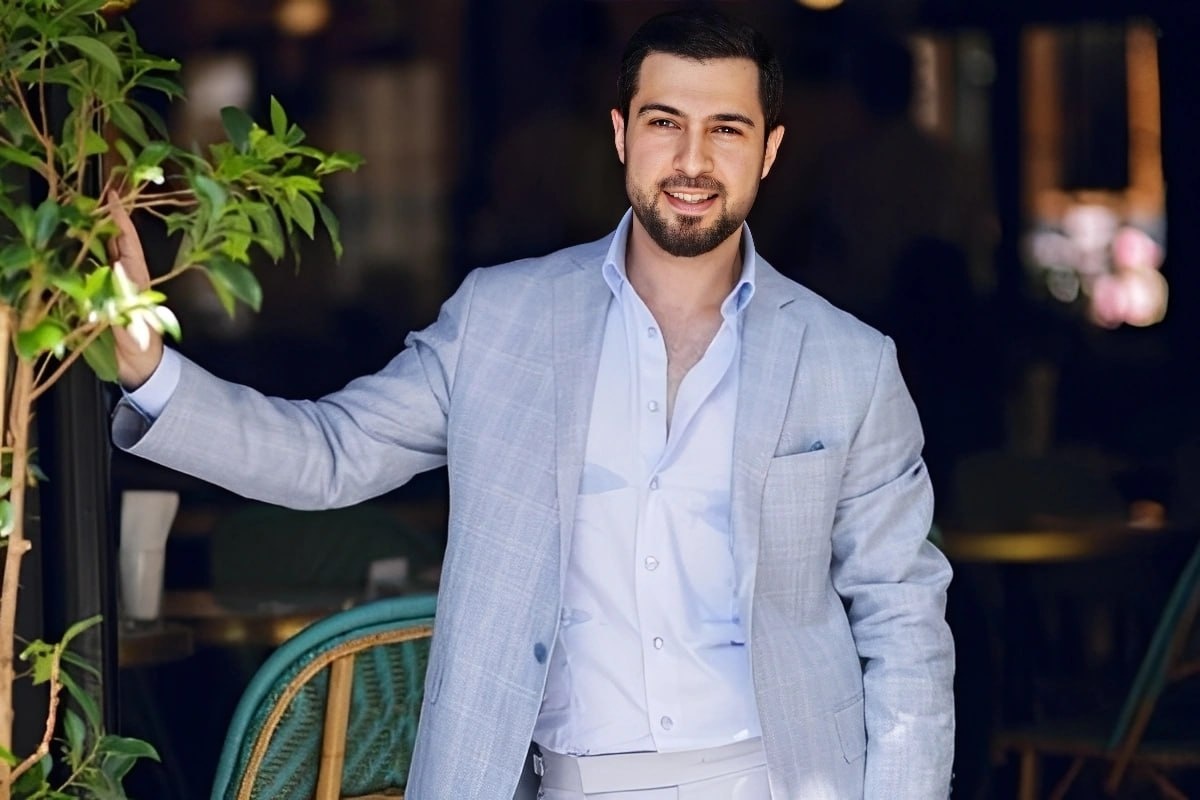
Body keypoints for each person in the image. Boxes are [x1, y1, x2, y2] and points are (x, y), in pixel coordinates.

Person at [109, 9, 954, 799]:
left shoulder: (849, 361)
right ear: (620, 134)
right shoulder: (500, 320)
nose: (692, 160)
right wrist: (150, 367)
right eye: (664, 122)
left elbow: (904, 618)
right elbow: (329, 454)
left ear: (769, 150)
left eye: (726, 129)